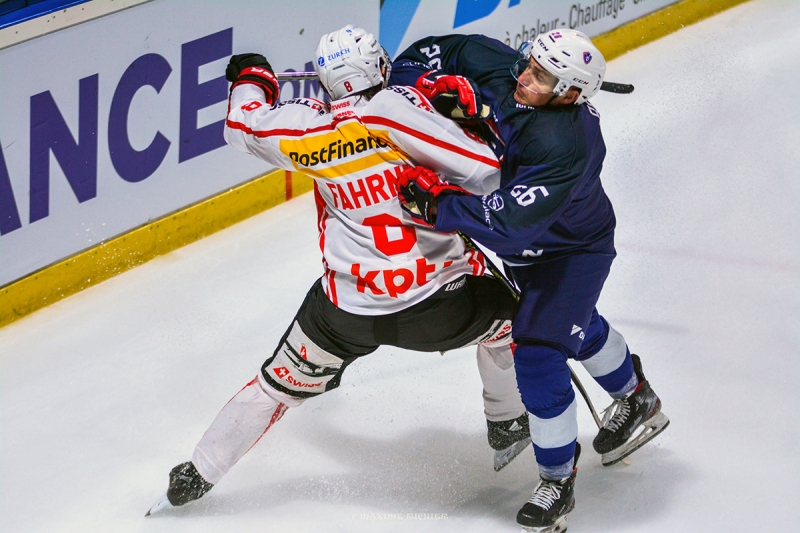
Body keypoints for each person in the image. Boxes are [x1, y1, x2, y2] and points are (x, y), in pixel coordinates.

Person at [146, 25, 532, 516]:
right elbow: (488, 175)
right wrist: (467, 121)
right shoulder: (398, 109)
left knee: (274, 388)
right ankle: (506, 422)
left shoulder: (305, 127)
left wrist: (253, 78)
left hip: (343, 310)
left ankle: (191, 480)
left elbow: (242, 126)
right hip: (440, 303)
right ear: (380, 66)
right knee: (519, 323)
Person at [392, 30, 670, 533]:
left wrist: (439, 205)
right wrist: (407, 89)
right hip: (531, 250)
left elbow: (508, 221)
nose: (523, 76)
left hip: (570, 253)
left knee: (540, 350)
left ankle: (556, 479)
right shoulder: (518, 75)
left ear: (569, 93)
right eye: (529, 64)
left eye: (540, 77)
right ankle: (637, 397)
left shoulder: (565, 143)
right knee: (572, 324)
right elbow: (448, 49)